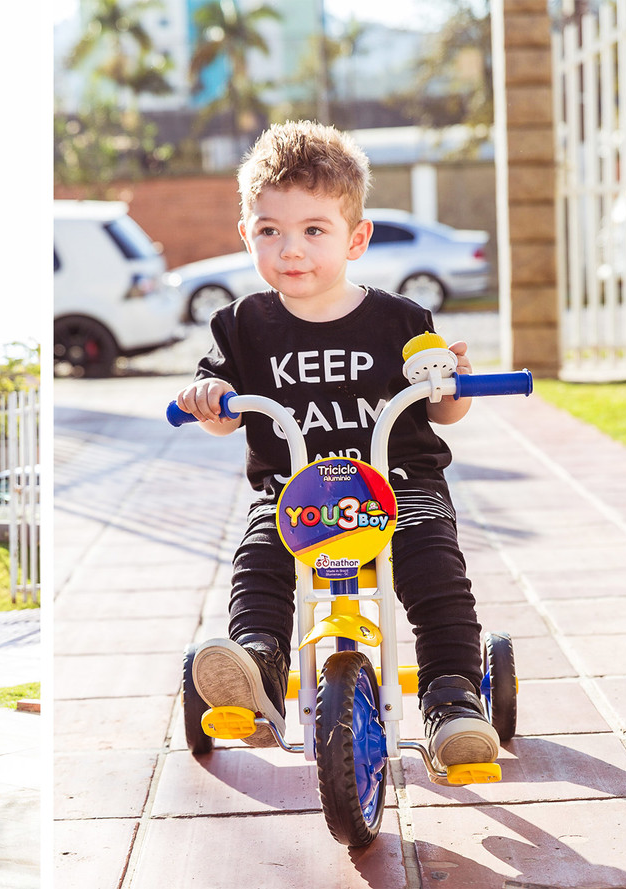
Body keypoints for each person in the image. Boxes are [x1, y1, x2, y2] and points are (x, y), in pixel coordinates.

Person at [174, 120, 499, 769]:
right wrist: (206, 399)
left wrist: (452, 383)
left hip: (399, 483)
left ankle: (452, 696)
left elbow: (444, 407)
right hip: (295, 493)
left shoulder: (402, 319)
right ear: (247, 234)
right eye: (270, 231)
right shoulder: (239, 325)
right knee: (260, 561)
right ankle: (260, 667)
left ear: (356, 236)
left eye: (313, 230)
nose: (290, 249)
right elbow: (223, 414)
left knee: (434, 569)